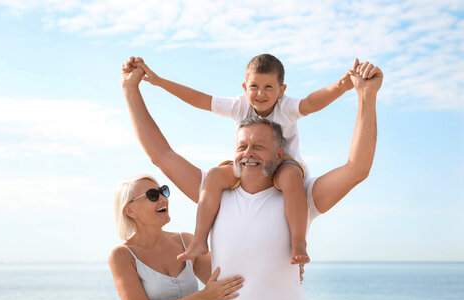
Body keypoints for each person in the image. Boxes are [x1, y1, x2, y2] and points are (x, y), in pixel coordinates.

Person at [121, 56, 382, 300]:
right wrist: (131, 90)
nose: (248, 154)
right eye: (242, 147)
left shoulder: (299, 197)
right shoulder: (214, 193)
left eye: (259, 147)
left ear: (280, 154)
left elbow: (356, 168)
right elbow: (161, 153)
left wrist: (366, 96)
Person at [136, 54, 356, 265]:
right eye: (254, 86)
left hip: (284, 164)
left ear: (281, 90)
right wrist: (159, 82)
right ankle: (200, 240)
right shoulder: (239, 105)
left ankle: (298, 242)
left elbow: (311, 103)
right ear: (244, 87)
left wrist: (340, 87)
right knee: (214, 175)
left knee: (290, 177)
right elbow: (200, 100)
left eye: (269, 87)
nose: (260, 93)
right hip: (249, 163)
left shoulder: (286, 106)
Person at [109, 174, 244, 300]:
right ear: (130, 210)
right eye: (152, 195)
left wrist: (285, 269)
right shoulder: (122, 256)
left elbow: (228, 282)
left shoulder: (187, 241)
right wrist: (203, 297)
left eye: (163, 191)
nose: (163, 198)